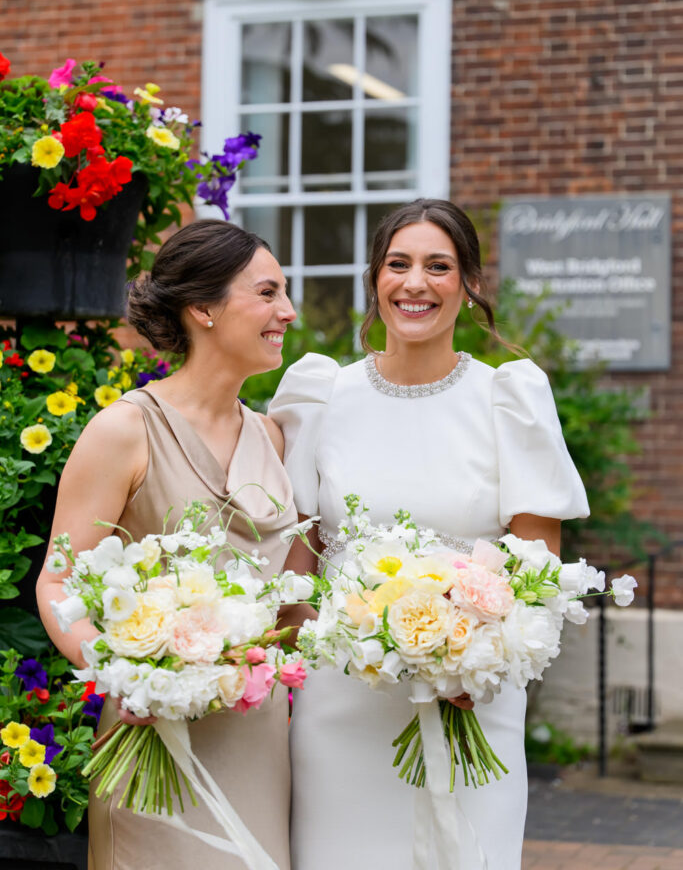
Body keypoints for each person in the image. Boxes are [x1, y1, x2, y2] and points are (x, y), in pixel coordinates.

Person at [269, 198, 589, 870]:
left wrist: (480, 659)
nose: (415, 283)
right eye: (398, 264)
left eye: (438, 266)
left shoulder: (508, 398)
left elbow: (536, 565)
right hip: (342, 704)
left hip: (470, 698)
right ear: (375, 279)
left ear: (468, 283)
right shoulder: (322, 396)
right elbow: (299, 565)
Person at [36, 219, 298, 870]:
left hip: (255, 740)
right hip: (150, 736)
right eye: (267, 293)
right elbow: (58, 583)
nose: (286, 312)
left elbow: (291, 605)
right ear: (203, 307)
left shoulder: (273, 435)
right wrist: (127, 675)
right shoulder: (125, 430)